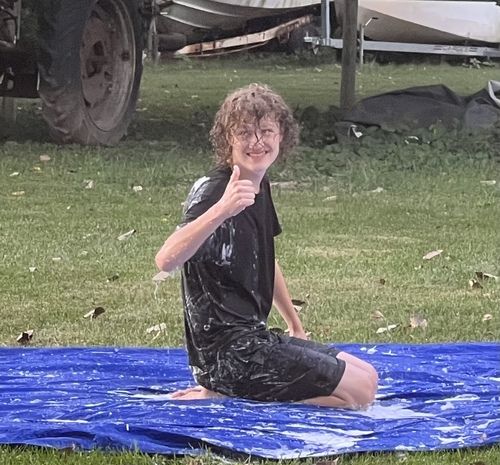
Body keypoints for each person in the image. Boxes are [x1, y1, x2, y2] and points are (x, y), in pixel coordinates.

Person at [155, 83, 378, 408]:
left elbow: (265, 260)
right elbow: (166, 259)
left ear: (281, 136)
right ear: (227, 139)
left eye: (266, 131)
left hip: (255, 338)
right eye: (244, 132)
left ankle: (234, 393)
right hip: (228, 356)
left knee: (368, 375)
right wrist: (222, 209)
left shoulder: (258, 183)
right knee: (359, 394)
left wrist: (294, 325)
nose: (257, 142)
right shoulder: (216, 191)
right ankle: (225, 395)